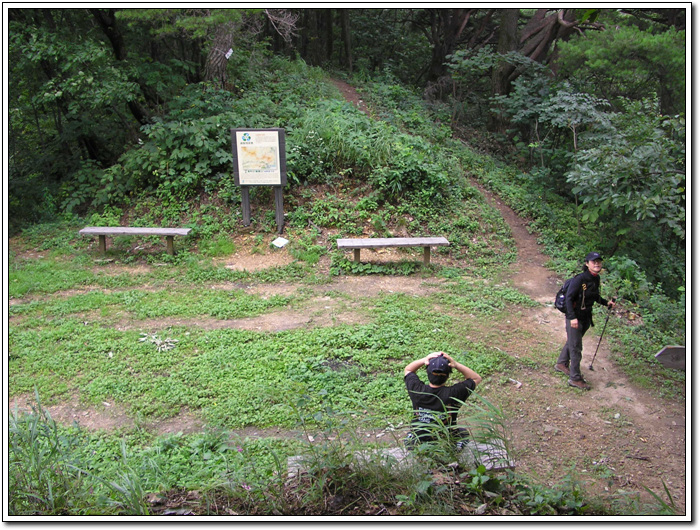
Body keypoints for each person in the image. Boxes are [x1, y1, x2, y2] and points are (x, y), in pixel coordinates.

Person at [555, 251, 616, 390]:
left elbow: (594, 296)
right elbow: (569, 298)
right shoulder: (580, 279)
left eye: (599, 261)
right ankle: (575, 378)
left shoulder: (595, 279)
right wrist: (572, 318)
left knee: (573, 342)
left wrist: (606, 303)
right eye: (593, 261)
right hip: (575, 318)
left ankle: (561, 363)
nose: (597, 264)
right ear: (587, 264)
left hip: (585, 317)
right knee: (576, 347)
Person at [403, 351, 482, 448]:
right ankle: (453, 450)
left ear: (427, 373)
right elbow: (476, 378)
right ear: (448, 375)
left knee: (410, 437)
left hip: (420, 438)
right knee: (463, 433)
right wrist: (456, 364)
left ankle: (416, 446)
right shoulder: (454, 394)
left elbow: (408, 370)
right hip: (444, 440)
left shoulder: (417, 390)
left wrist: (424, 360)